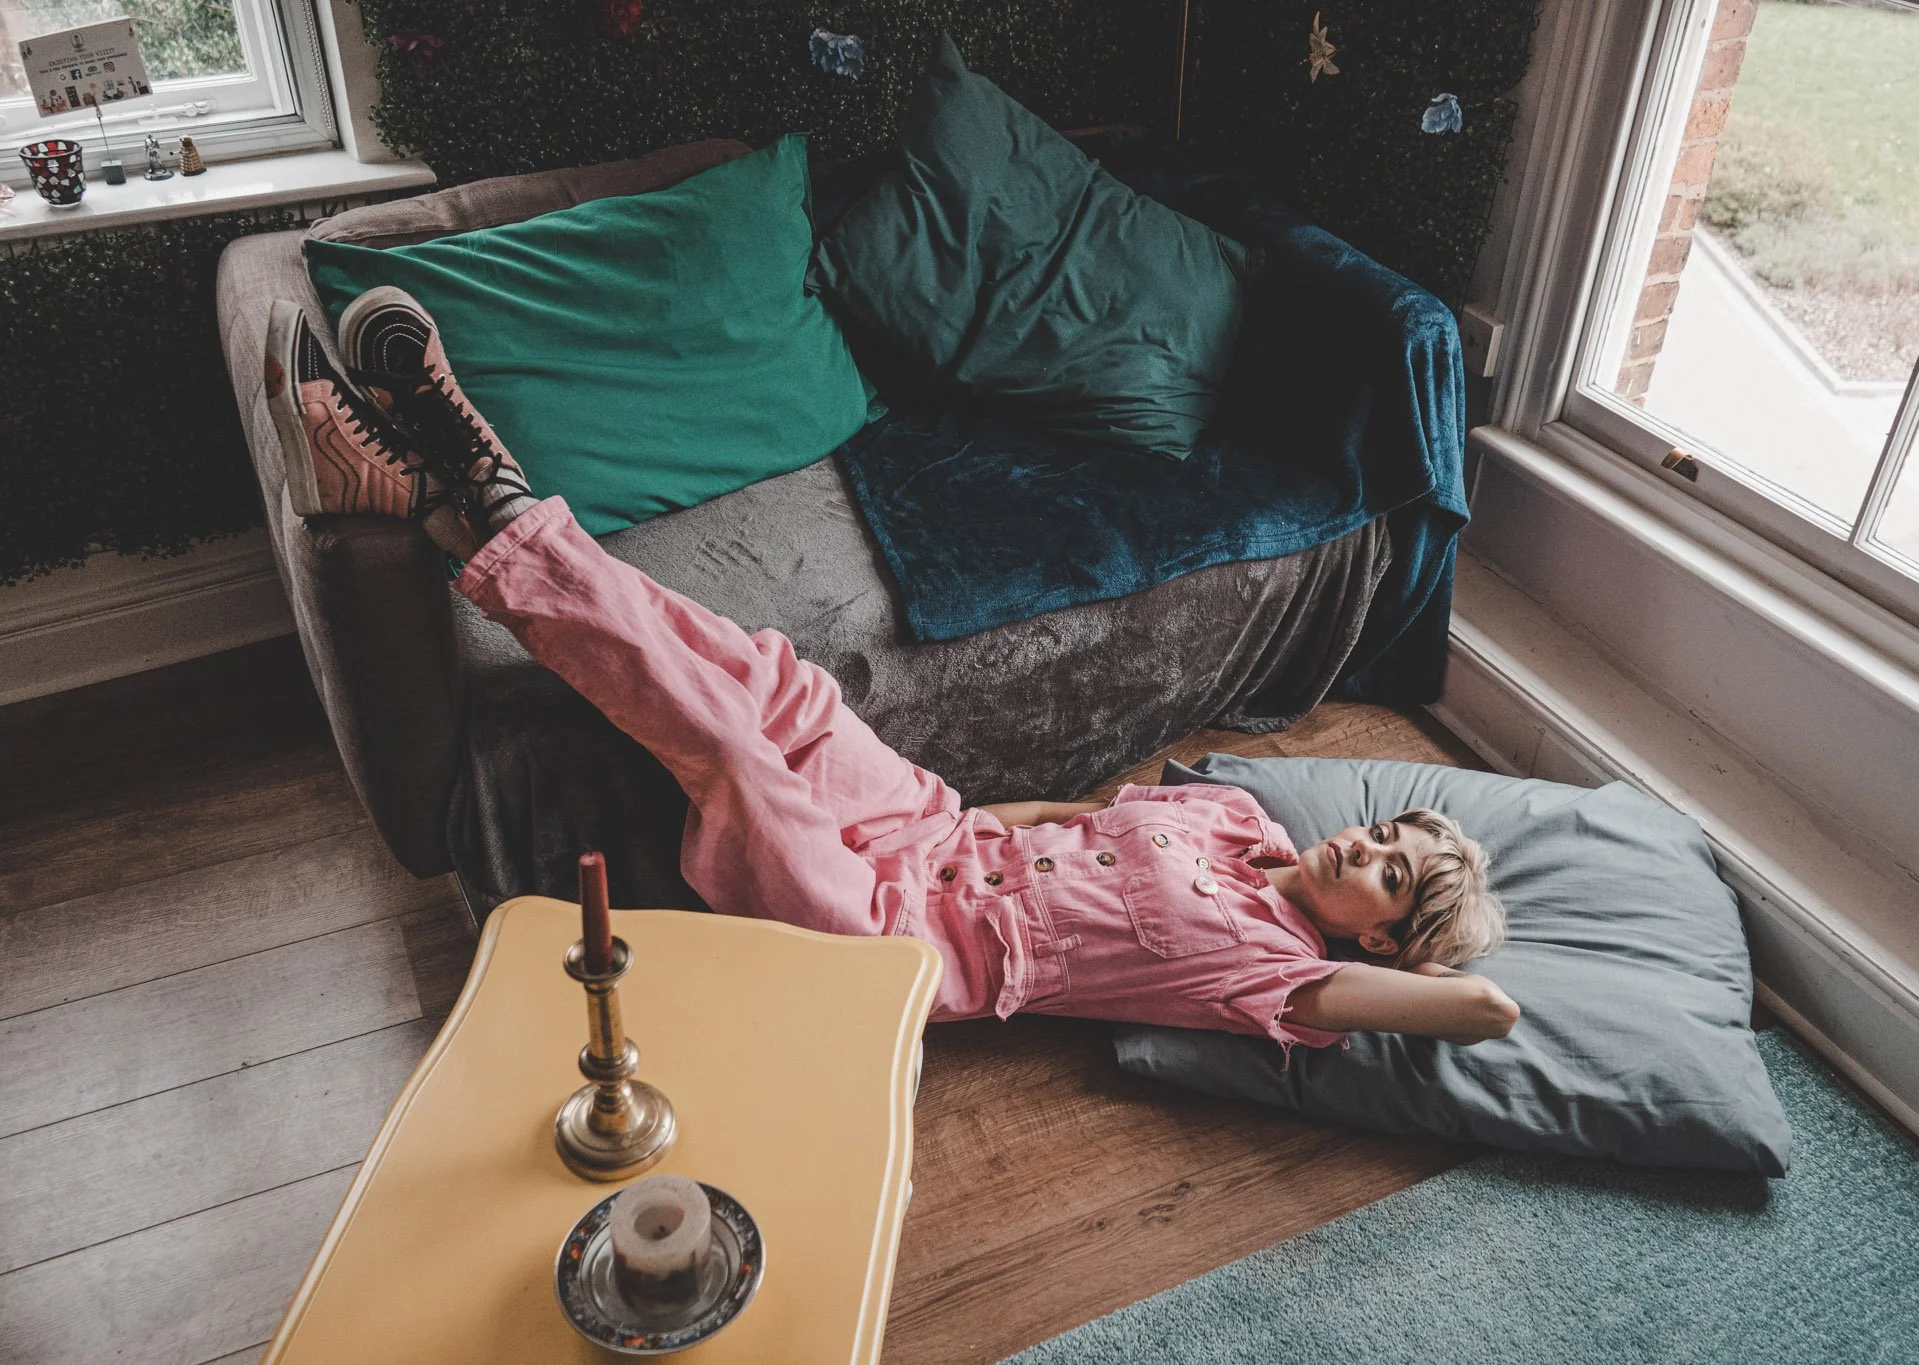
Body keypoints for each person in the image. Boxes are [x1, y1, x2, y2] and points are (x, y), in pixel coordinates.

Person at [263, 288, 1520, 1051]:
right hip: (920, 832)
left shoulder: (1273, 982)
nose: (1365, 848)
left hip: (896, 938)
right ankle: (445, 504)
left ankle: (479, 500)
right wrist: (957, 816)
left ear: (1384, 946)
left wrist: (1439, 957)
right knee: (776, 682)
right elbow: (1072, 819)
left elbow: (1482, 1013)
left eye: (1390, 875)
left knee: (737, 757)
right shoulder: (1234, 816)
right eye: (1389, 833)